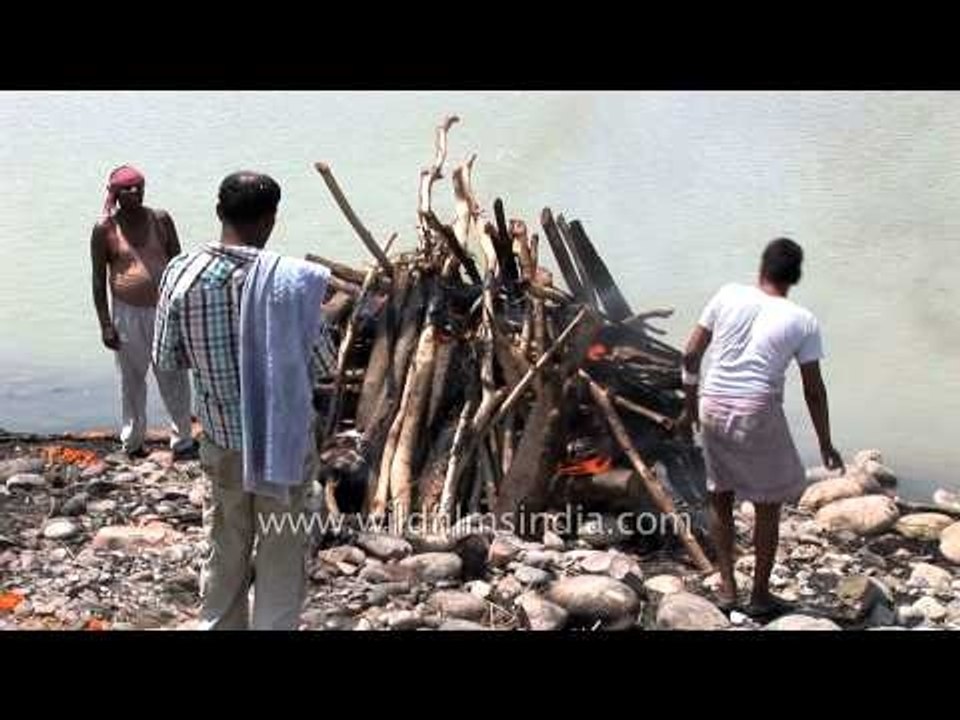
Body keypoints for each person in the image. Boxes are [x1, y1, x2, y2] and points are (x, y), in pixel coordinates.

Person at [152, 171, 335, 630]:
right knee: (281, 546)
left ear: (219, 213)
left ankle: (219, 623)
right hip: (284, 444)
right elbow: (323, 364)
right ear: (272, 218)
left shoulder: (181, 273)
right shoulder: (292, 282)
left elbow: (166, 357)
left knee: (226, 541)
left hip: (222, 437)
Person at [680, 238, 844, 617]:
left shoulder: (727, 294)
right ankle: (759, 595)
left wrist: (690, 405)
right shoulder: (803, 320)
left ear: (761, 269)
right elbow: (814, 390)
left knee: (719, 496)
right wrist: (825, 442)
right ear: (795, 276)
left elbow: (690, 353)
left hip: (713, 402)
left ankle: (727, 588)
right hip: (756, 409)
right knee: (768, 506)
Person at [89, 165, 194, 459]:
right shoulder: (104, 229)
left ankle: (183, 440)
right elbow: (98, 280)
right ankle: (133, 441)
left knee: (174, 375)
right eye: (128, 188)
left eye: (139, 186)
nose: (135, 192)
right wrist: (105, 325)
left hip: (165, 310)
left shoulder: (160, 219)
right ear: (116, 194)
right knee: (131, 379)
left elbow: (179, 265)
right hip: (126, 313)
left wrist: (183, 312)